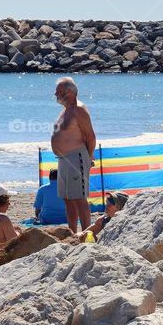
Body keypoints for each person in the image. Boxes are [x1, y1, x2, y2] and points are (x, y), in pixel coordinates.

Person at [51, 77, 96, 233]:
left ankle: (85, 233)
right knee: (68, 198)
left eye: (58, 91)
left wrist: (89, 158)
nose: (55, 93)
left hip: (76, 157)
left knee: (79, 197)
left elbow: (90, 136)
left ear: (69, 92)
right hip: (64, 159)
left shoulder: (79, 109)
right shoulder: (66, 110)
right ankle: (72, 233)